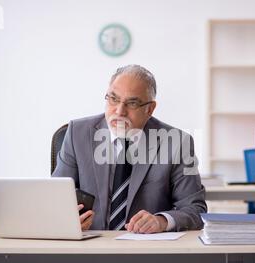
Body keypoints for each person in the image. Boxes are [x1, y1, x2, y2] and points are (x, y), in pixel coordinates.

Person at [52, 65, 206, 233]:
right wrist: (67, 220)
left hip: (146, 250)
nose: (119, 111)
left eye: (132, 103)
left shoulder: (177, 142)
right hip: (88, 248)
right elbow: (54, 198)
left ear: (150, 109)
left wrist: (162, 221)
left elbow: (195, 210)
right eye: (113, 99)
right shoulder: (77, 133)